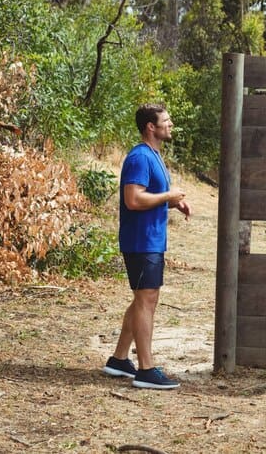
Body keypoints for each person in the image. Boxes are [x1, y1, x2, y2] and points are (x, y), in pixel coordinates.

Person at [102, 103, 191, 390]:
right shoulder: (139, 157)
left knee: (143, 299)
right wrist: (168, 195)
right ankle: (146, 370)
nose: (171, 124)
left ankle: (118, 360)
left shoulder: (153, 155)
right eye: (166, 120)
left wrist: (174, 202)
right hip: (141, 242)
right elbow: (133, 199)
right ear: (151, 127)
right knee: (146, 301)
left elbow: (151, 195)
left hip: (149, 240)